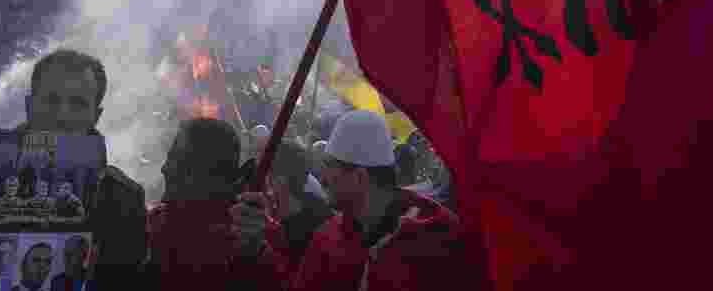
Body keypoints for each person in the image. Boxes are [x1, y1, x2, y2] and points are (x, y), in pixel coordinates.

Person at [231, 110, 488, 290]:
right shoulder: (327, 238)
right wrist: (259, 247)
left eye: (330, 165)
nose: (323, 176)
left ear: (360, 176)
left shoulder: (438, 235)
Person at [20, 49, 146, 278]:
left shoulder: (123, 200)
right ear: (29, 105)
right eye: (51, 100)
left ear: (96, 116)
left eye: (78, 104)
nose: (62, 115)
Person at [142, 117, 253, 289]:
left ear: (206, 176)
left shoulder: (241, 249)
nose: (165, 168)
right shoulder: (155, 223)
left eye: (176, 159)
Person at [264, 141, 333, 278]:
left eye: (268, 173)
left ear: (279, 181)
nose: (266, 181)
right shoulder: (323, 211)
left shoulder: (281, 234)